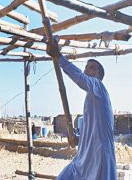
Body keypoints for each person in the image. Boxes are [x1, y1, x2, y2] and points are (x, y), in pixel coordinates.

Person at [47, 39, 116, 179]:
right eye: (86, 66)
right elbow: (92, 132)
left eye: (92, 67)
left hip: (99, 155)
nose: (86, 69)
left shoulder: (99, 87)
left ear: (98, 75)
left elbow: (80, 78)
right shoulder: (91, 98)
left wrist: (59, 57)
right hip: (85, 155)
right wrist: (78, 139)